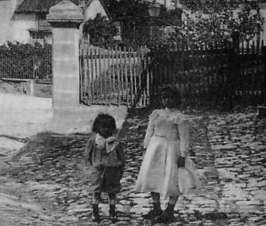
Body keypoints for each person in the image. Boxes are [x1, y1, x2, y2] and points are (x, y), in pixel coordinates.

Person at [134, 85, 199, 223]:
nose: (167, 100)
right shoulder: (156, 114)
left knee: (174, 178)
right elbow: (149, 131)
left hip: (172, 149)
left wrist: (182, 154)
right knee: (153, 176)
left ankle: (170, 209)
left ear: (176, 99)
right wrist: (146, 147)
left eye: (170, 97)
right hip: (156, 148)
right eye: (164, 98)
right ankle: (156, 206)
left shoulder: (179, 117)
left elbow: (184, 137)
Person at [84, 113, 125, 223]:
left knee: (112, 191)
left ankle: (112, 211)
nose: (107, 130)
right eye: (104, 127)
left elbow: (122, 156)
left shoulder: (115, 142)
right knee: (96, 190)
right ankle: (95, 212)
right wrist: (95, 164)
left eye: (110, 127)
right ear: (97, 127)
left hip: (112, 171)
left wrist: (119, 166)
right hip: (98, 170)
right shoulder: (93, 141)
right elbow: (87, 154)